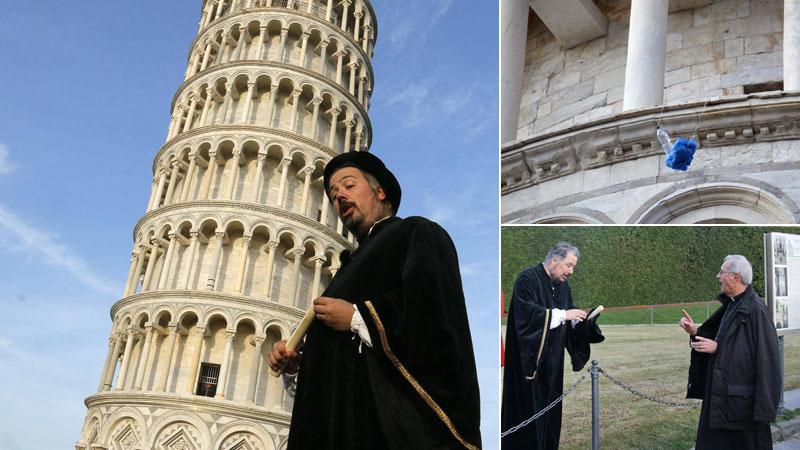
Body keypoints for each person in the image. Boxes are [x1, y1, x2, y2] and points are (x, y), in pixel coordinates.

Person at [268, 151, 481, 450]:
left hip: (376, 428)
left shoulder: (415, 232)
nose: (339, 195)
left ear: (380, 191)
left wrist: (358, 317)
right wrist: (299, 364)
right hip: (338, 426)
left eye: (349, 185)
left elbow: (434, 315)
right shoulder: (348, 266)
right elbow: (343, 360)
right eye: (332, 194)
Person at [501, 242, 603, 450]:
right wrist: (563, 315)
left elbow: (569, 311)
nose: (571, 271)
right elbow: (527, 316)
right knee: (528, 417)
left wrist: (580, 321)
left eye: (573, 266)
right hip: (529, 366)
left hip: (553, 367)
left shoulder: (563, 284)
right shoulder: (527, 279)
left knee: (550, 417)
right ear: (554, 260)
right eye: (568, 265)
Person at [680, 255, 781, 450]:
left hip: (741, 408)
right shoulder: (733, 304)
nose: (718, 276)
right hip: (722, 399)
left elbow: (765, 359)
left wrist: (718, 348)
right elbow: (719, 338)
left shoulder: (755, 310)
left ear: (735, 277)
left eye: (722, 272)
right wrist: (695, 332)